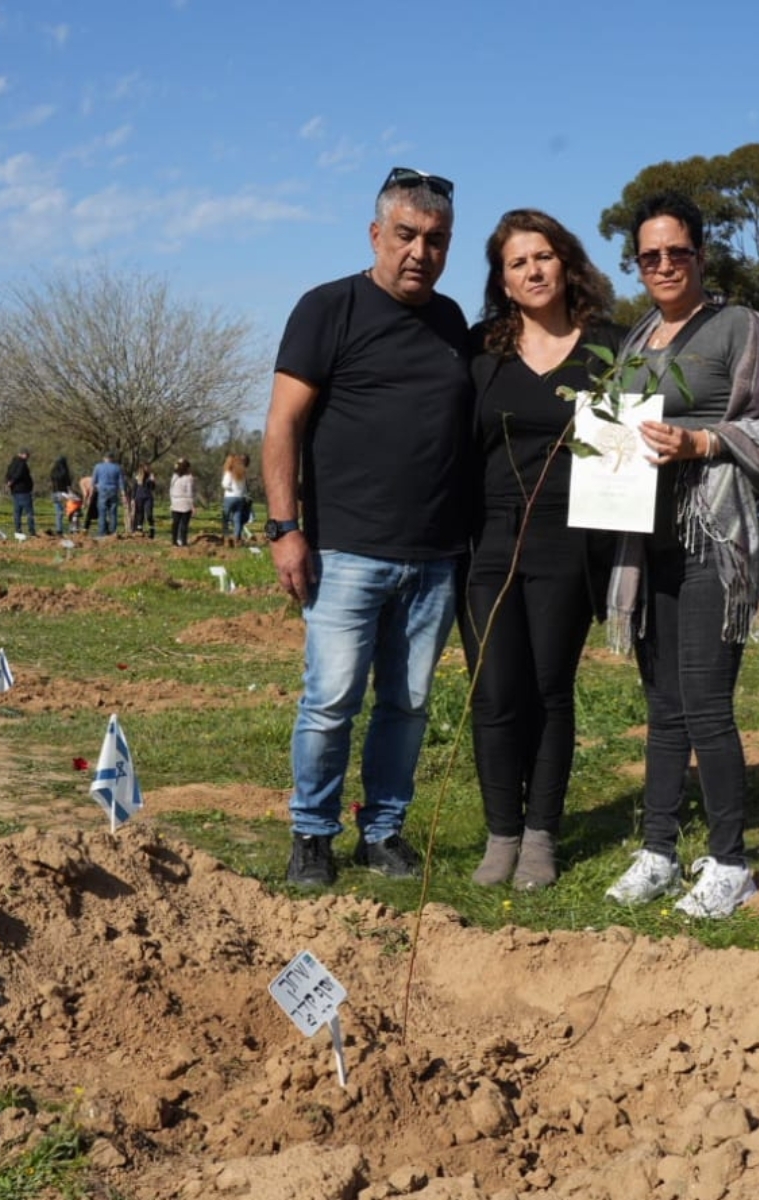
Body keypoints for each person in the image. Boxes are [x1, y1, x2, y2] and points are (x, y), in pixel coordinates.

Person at [266, 166, 472, 888]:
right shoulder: (328, 308)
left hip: (436, 555)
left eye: (437, 240)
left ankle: (382, 832)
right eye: (407, 236)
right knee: (329, 702)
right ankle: (312, 834)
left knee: (409, 705)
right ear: (376, 234)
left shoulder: (451, 323)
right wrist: (283, 528)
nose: (421, 252)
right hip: (345, 551)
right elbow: (283, 424)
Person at [603, 191, 759, 920]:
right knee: (662, 709)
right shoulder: (633, 341)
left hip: (714, 541)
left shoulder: (740, 329)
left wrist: (704, 441)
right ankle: (658, 850)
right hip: (644, 542)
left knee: (707, 705)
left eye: (675, 253)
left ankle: (729, 863)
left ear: (700, 256)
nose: (662, 266)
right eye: (648, 256)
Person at [460, 208, 622, 892]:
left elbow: (628, 455)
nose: (532, 270)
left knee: (551, 692)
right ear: (502, 279)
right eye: (517, 262)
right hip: (487, 542)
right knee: (496, 692)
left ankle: (540, 837)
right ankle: (501, 834)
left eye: (543, 257)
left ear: (567, 263)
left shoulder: (611, 350)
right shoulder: (480, 352)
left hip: (571, 540)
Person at [221, 453, 252, 544]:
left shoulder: (229, 472)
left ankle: (226, 537)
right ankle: (236, 538)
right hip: (239, 498)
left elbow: (225, 484)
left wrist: (230, 489)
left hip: (229, 497)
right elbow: (245, 488)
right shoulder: (242, 474)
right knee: (237, 519)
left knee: (225, 518)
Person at [91, 453, 124, 536]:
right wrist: (123, 493)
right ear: (112, 458)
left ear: (104, 458)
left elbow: (93, 481)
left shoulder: (98, 466)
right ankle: (113, 532)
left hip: (102, 490)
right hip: (113, 490)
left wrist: (95, 489)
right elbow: (121, 482)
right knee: (113, 512)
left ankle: (102, 532)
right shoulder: (117, 467)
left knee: (102, 512)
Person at [5, 448, 37, 536]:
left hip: (15, 491)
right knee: (29, 512)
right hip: (23, 491)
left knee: (17, 512)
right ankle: (32, 531)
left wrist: (8, 482)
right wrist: (12, 481)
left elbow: (7, 474)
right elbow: (19, 474)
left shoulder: (12, 463)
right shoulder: (22, 463)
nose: (28, 457)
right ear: (23, 454)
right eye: (27, 455)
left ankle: (18, 530)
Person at [168, 458, 197, 547]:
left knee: (175, 523)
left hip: (175, 501)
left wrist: (172, 501)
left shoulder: (174, 476)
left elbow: (171, 490)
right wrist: (192, 505)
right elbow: (189, 493)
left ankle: (174, 541)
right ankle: (183, 541)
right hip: (185, 503)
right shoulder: (189, 478)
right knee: (184, 524)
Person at [48, 454, 74, 534]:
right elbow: (68, 484)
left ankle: (59, 529)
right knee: (70, 511)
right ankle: (72, 528)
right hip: (63, 493)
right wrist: (71, 493)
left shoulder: (53, 471)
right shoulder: (64, 471)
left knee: (58, 512)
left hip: (54, 493)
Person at [130, 464, 158, 538]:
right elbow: (134, 488)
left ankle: (152, 531)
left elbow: (152, 488)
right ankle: (139, 531)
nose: (146, 469)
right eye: (145, 468)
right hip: (138, 498)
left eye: (147, 468)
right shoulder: (137, 477)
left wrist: (153, 480)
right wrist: (132, 499)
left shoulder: (150, 477)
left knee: (149, 514)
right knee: (139, 515)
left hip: (148, 498)